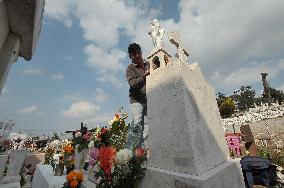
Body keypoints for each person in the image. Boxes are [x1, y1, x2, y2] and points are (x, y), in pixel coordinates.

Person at [125, 43, 149, 151]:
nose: (137, 56)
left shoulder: (149, 63)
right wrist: (144, 77)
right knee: (137, 124)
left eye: (138, 53)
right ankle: (131, 153)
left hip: (149, 99)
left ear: (141, 52)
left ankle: (145, 151)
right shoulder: (130, 69)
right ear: (130, 56)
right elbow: (133, 83)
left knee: (149, 125)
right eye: (134, 54)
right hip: (137, 100)